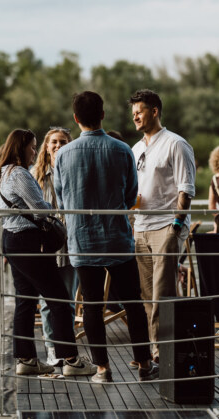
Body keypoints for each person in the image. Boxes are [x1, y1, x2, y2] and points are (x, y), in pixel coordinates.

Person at [54, 91, 157, 384]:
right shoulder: (123, 149)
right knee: (133, 304)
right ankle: (145, 364)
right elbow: (129, 196)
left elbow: (62, 200)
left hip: (83, 243)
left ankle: (102, 369)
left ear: (75, 118)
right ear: (103, 114)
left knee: (92, 306)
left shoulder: (63, 154)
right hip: (118, 240)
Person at [0, 128, 96, 378]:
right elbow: (41, 210)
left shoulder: (2, 173)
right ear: (21, 148)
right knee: (60, 300)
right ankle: (72, 361)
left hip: (10, 240)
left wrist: (11, 205)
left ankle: (26, 360)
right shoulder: (20, 173)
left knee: (25, 300)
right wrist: (50, 209)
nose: (35, 151)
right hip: (27, 242)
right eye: (32, 147)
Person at [129, 89, 196, 363]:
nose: (135, 116)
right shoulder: (135, 149)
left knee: (162, 293)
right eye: (133, 112)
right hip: (140, 228)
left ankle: (161, 352)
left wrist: (176, 226)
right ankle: (155, 350)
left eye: (139, 111)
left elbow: (186, 189)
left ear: (154, 111)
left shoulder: (176, 144)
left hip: (166, 226)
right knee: (146, 296)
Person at [31, 127, 78, 366]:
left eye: (63, 142)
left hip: (70, 245)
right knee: (47, 302)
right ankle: (51, 348)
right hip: (45, 245)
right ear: (46, 147)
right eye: (54, 142)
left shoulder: (76, 172)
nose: (58, 146)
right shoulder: (35, 174)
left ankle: (67, 349)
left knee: (68, 301)